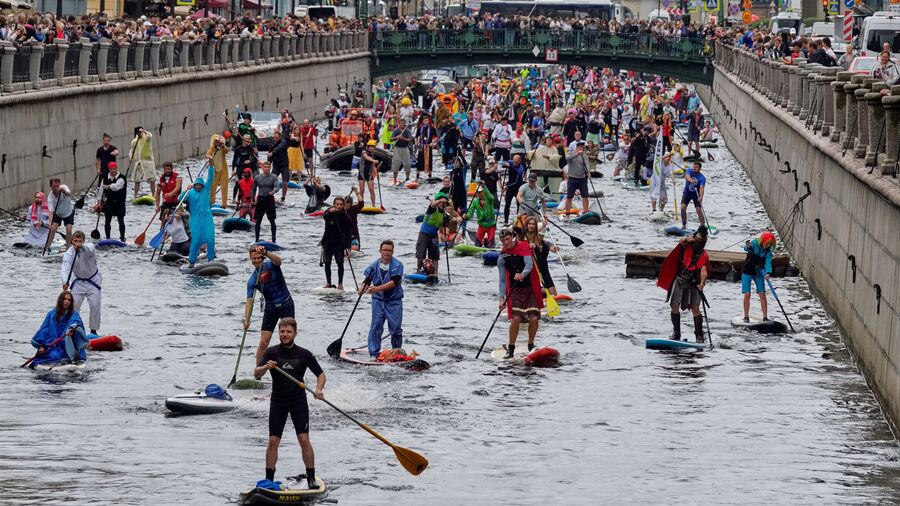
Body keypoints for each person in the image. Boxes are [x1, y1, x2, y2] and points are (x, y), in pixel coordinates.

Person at [254, 317, 325, 491]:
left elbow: (321, 375)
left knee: (304, 439)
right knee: (273, 441)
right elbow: (256, 374)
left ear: (295, 333)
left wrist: (319, 389)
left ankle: (311, 478)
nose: (285, 335)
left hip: (298, 401)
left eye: (288, 332)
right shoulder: (271, 352)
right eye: (282, 331)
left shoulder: (304, 354)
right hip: (278, 400)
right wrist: (265, 367)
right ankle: (269, 479)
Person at [497, 228, 543, 358]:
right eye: (502, 240)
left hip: (529, 287)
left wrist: (522, 275)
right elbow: (501, 281)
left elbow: (529, 265)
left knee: (534, 318)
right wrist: (501, 299)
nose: (505, 242)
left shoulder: (523, 247)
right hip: (515, 290)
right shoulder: (502, 257)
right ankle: (511, 348)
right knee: (516, 318)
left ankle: (531, 345)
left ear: (512, 237)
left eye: (507, 239)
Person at [657, 226, 710, 342]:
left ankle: (699, 336)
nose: (699, 243)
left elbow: (704, 271)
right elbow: (681, 241)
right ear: (694, 239)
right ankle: (676, 333)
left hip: (693, 283)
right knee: (674, 306)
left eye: (701, 241)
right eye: (698, 240)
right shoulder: (686, 245)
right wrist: (687, 238)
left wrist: (702, 283)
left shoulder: (703, 255)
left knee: (695, 308)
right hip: (679, 280)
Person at [247, 245, 295, 365]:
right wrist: (247, 320)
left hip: (286, 304)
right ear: (251, 259)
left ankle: (291, 366)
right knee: (264, 342)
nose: (256, 260)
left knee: (287, 339)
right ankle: (258, 373)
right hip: (271, 308)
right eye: (254, 259)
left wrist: (266, 252)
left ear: (262, 257)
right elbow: (249, 301)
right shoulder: (252, 280)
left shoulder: (271, 265)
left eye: (259, 258)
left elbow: (279, 261)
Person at [360, 240, 405, 357]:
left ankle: (396, 352)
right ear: (380, 251)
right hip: (378, 301)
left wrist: (376, 289)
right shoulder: (374, 265)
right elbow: (367, 280)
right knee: (376, 327)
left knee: (395, 329)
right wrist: (362, 289)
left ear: (393, 252)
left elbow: (393, 283)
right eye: (385, 250)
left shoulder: (397, 265)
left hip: (394, 301)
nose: (387, 252)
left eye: (389, 250)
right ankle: (373, 354)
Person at [29, 291, 88, 368]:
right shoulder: (51, 314)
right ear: (61, 300)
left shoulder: (74, 314)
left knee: (57, 355)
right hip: (52, 346)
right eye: (64, 299)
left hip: (66, 346)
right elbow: (44, 330)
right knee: (51, 355)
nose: (66, 301)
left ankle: (70, 358)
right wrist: (42, 346)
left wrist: (71, 329)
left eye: (69, 300)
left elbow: (75, 322)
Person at [61, 231, 102, 334]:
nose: (77, 244)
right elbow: (65, 268)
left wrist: (82, 247)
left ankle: (93, 331)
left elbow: (90, 250)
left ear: (83, 241)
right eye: (75, 241)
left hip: (93, 281)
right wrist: (65, 281)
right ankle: (74, 328)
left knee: (95, 305)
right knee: (74, 306)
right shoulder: (69, 253)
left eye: (80, 241)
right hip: (78, 281)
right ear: (72, 241)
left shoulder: (89, 247)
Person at [180, 162, 216, 267]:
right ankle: (192, 260)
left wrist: (211, 166)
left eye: (200, 185)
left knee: (210, 239)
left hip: (207, 219)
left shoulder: (206, 190)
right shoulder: (190, 193)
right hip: (195, 220)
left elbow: (210, 178)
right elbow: (179, 199)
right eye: (197, 185)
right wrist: (186, 190)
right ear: (194, 185)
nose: (199, 187)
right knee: (195, 241)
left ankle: (210, 259)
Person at [416, 193, 457, 278]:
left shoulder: (445, 215)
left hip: (434, 235)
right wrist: (439, 200)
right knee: (421, 254)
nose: (442, 205)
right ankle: (418, 271)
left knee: (435, 256)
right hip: (424, 234)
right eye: (441, 203)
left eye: (443, 203)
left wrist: (446, 236)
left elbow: (446, 227)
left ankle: (435, 274)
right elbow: (433, 204)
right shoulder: (432, 208)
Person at [742, 231, 776, 322]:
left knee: (762, 294)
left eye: (770, 244)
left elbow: (768, 263)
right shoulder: (755, 243)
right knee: (747, 294)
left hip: (759, 272)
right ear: (763, 241)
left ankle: (765, 317)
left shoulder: (768, 253)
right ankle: (746, 316)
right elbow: (746, 248)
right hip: (747, 270)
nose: (768, 246)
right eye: (767, 243)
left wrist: (768, 273)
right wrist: (748, 246)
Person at [320, 197, 352, 290]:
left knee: (340, 263)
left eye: (340, 204)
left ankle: (340, 283)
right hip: (327, 243)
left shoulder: (346, 217)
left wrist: (348, 248)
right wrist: (331, 211)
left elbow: (348, 234)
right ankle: (328, 283)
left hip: (339, 244)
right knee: (327, 263)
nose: (338, 206)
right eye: (337, 204)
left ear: (343, 206)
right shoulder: (328, 213)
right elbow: (325, 217)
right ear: (334, 204)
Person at [523, 216, 558, 296]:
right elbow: (528, 234)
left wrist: (555, 248)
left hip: (544, 273)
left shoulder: (545, 243)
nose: (541, 237)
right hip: (532, 273)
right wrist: (543, 225)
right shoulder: (527, 241)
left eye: (542, 235)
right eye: (539, 235)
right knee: (543, 291)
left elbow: (552, 248)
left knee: (553, 294)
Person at [97, 161, 127, 242]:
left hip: (119, 203)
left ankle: (122, 238)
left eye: (114, 169)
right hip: (109, 202)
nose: (113, 171)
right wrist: (99, 201)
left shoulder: (122, 178)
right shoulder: (105, 178)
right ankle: (107, 238)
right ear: (109, 169)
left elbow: (117, 187)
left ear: (117, 168)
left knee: (121, 221)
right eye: (111, 169)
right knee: (107, 220)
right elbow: (101, 190)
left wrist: (108, 186)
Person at [252, 161, 279, 243]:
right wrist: (253, 200)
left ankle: (274, 240)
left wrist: (273, 192)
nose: (266, 168)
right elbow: (253, 189)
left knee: (272, 220)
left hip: (269, 199)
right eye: (265, 167)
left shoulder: (273, 177)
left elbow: (277, 187)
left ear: (270, 168)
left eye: (268, 167)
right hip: (260, 199)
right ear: (262, 168)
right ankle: (256, 239)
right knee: (258, 220)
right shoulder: (257, 177)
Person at [129, 126, 157, 199]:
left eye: (140, 132)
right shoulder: (134, 141)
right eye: (138, 132)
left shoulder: (147, 137)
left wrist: (144, 131)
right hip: (139, 163)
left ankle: (153, 195)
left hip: (148, 162)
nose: (139, 133)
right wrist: (130, 156)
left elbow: (150, 135)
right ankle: (135, 196)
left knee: (152, 179)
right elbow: (131, 150)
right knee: (137, 180)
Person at [564, 141, 591, 216]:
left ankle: (586, 211)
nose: (582, 149)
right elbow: (568, 159)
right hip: (572, 178)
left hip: (582, 178)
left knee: (585, 196)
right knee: (569, 196)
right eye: (581, 147)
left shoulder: (584, 155)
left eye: (583, 147)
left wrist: (588, 172)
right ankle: (567, 212)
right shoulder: (571, 153)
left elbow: (587, 164)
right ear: (577, 147)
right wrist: (576, 154)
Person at [47, 177, 75, 250]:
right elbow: (51, 212)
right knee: (53, 229)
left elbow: (69, 194)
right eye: (54, 187)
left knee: (68, 229)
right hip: (58, 214)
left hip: (68, 212)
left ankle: (68, 248)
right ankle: (47, 248)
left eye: (57, 186)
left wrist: (64, 192)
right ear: (50, 187)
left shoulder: (64, 187)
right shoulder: (50, 197)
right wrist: (50, 223)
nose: (56, 188)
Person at [680, 161, 706, 229]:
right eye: (693, 167)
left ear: (699, 168)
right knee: (682, 208)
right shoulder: (689, 170)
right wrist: (691, 180)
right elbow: (687, 176)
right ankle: (684, 225)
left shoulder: (702, 178)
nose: (694, 168)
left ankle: (703, 226)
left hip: (696, 195)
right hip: (687, 193)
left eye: (696, 167)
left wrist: (701, 197)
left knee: (698, 210)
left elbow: (701, 188)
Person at [207, 134, 229, 208]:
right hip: (215, 170)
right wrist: (209, 157)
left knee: (224, 187)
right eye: (216, 141)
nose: (218, 142)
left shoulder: (222, 148)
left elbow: (227, 151)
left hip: (223, 170)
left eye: (219, 141)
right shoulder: (212, 149)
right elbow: (208, 154)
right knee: (212, 187)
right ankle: (211, 202)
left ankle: (224, 204)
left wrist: (222, 145)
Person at [503, 155, 526, 225]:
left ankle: (518, 220)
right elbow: (504, 165)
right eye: (514, 162)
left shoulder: (521, 168)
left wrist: (510, 167)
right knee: (507, 204)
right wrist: (505, 165)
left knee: (519, 205)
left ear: (519, 161)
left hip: (517, 188)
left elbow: (516, 176)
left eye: (516, 162)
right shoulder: (510, 162)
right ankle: (506, 221)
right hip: (510, 188)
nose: (514, 164)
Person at [269, 130, 291, 204]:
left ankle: (283, 198)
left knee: (285, 183)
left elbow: (279, 148)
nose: (275, 139)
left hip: (284, 165)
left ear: (280, 137)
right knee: (271, 181)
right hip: (276, 166)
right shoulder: (272, 145)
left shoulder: (283, 142)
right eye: (274, 138)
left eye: (277, 138)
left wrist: (272, 153)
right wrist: (268, 164)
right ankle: (270, 196)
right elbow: (270, 156)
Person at [390, 118, 413, 182]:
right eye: (401, 123)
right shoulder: (395, 131)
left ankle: (407, 178)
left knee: (407, 163)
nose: (402, 125)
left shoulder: (407, 131)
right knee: (396, 162)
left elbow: (410, 139)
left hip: (405, 148)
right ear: (399, 124)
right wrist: (396, 137)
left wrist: (403, 138)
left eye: (403, 124)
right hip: (397, 148)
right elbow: (391, 139)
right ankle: (395, 178)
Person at [415, 115, 438, 179]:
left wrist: (432, 143)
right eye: (425, 120)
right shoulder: (419, 128)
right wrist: (416, 142)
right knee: (420, 160)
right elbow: (416, 137)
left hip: (428, 146)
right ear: (422, 121)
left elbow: (436, 137)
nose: (426, 122)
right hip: (421, 146)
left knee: (429, 159)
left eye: (427, 120)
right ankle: (417, 174)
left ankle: (430, 175)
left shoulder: (432, 128)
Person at [359, 140, 380, 206]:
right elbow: (366, 157)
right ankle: (361, 205)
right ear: (368, 146)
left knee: (371, 190)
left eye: (373, 147)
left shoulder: (373, 154)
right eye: (371, 146)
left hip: (369, 174)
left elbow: (373, 166)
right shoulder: (363, 151)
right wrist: (374, 160)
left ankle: (373, 205)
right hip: (362, 173)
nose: (372, 148)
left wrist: (376, 174)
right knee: (361, 190)